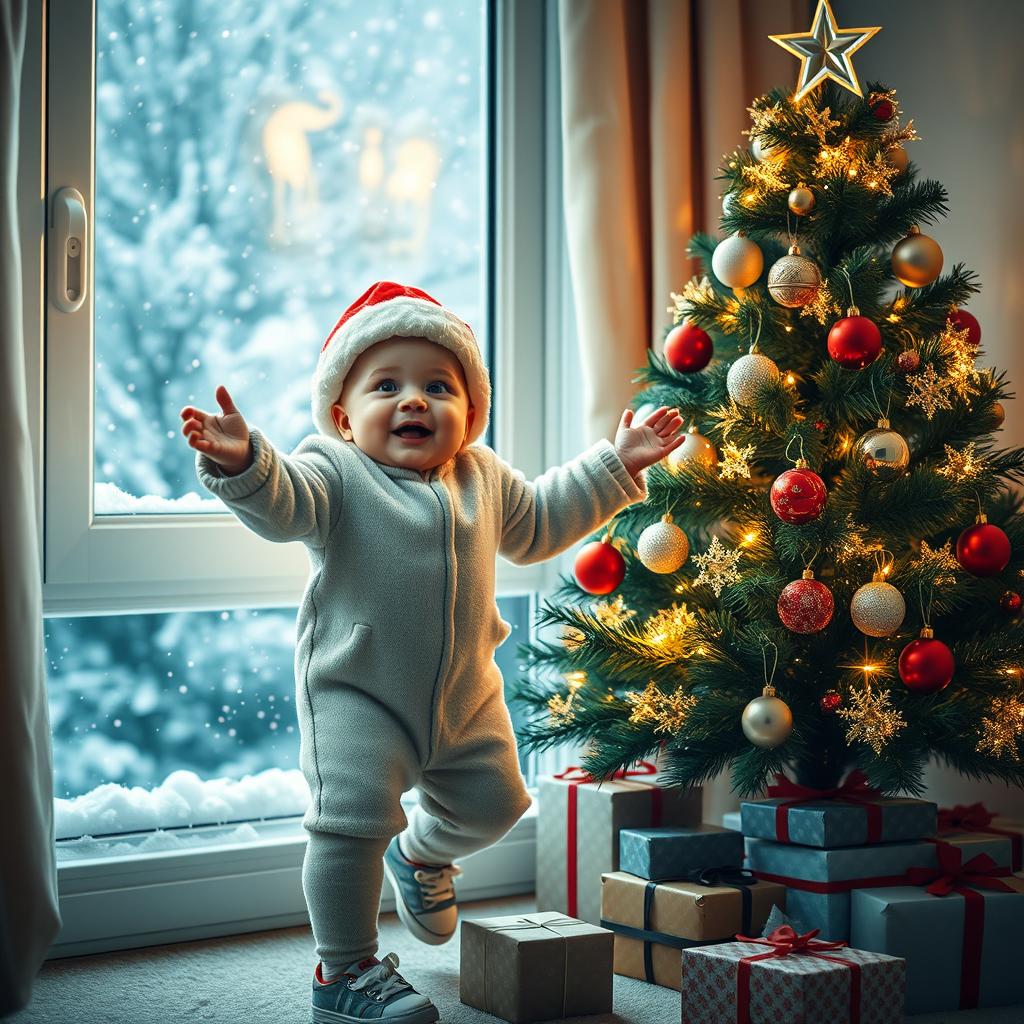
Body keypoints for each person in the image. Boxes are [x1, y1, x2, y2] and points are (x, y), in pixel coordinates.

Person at [180, 281, 685, 1023]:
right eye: (387, 385)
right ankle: (343, 970)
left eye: (437, 386)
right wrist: (243, 462)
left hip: (464, 695)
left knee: (498, 806)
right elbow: (285, 503)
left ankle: (419, 855)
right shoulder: (335, 473)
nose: (414, 400)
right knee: (347, 824)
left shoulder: (481, 478)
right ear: (344, 417)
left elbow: (542, 520)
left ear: (470, 415)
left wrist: (618, 462)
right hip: (358, 689)